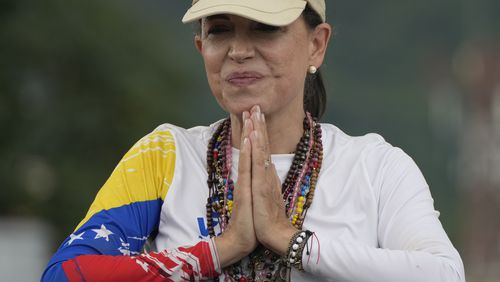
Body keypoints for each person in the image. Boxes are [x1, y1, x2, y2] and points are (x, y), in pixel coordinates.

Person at [42, 1, 465, 281]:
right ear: (200, 46)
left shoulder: (375, 166)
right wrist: (222, 249)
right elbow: (64, 275)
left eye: (265, 28)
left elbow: (444, 273)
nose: (239, 51)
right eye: (220, 30)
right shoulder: (165, 157)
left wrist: (292, 241)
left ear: (317, 45)